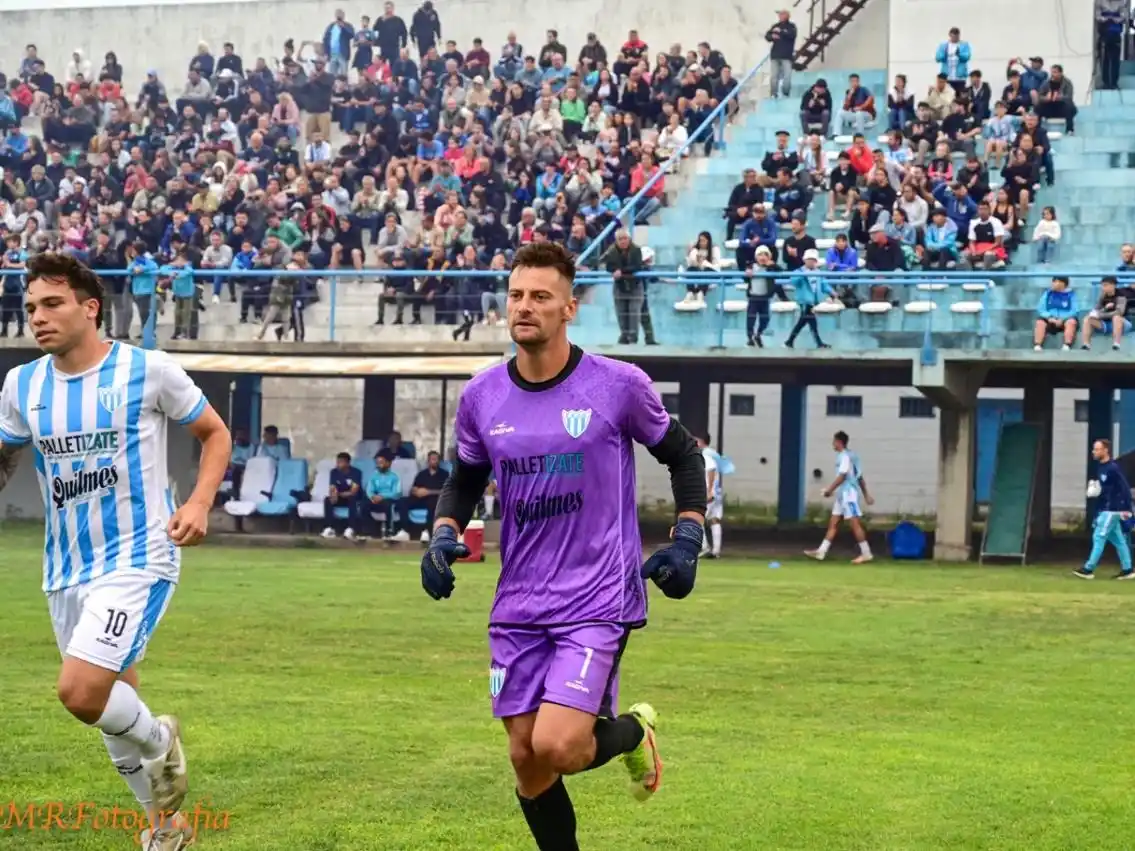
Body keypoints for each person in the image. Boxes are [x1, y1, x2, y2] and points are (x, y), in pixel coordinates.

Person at [417, 242, 705, 851]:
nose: (525, 307)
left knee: (559, 746)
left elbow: (682, 452)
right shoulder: (482, 396)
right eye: (517, 295)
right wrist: (444, 536)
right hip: (518, 603)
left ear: (569, 307)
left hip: (596, 597)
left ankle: (633, 732)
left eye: (541, 297)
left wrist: (687, 539)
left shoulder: (617, 385)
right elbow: (465, 478)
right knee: (527, 760)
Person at [0, 252, 232, 851]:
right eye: (30, 308)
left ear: (89, 307)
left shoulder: (148, 370)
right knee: (108, 698)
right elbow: (5, 454)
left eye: (52, 304)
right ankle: (165, 827)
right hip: (65, 569)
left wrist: (200, 503)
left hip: (139, 557)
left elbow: (214, 433)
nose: (38, 318)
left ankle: (160, 741)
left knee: (80, 692)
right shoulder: (21, 385)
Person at [806, 431, 874, 563]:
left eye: (834, 441)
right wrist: (866, 494)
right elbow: (859, 477)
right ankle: (821, 551)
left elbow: (842, 476)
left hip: (848, 494)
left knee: (854, 524)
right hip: (842, 494)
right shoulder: (852, 456)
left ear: (839, 442)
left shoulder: (844, 457)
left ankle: (866, 553)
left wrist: (829, 490)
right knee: (834, 523)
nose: (833, 444)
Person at [1075, 439, 1135, 580]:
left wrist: (1127, 508)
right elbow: (1106, 489)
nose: (1094, 452)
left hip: (1113, 509)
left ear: (1105, 450)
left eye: (1097, 449)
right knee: (1118, 539)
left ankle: (1088, 569)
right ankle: (1128, 569)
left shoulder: (1113, 468)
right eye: (1094, 449)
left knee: (1099, 537)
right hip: (1106, 508)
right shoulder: (1101, 467)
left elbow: (1124, 487)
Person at [1081, 275, 1130, 351]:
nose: (1103, 288)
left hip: (1123, 323)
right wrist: (1104, 309)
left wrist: (1100, 315)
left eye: (1105, 285)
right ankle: (1086, 344)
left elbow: (1119, 312)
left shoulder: (1121, 296)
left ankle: (1116, 344)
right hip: (1106, 324)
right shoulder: (1103, 296)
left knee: (1116, 317)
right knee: (1087, 319)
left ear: (1113, 285)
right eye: (1102, 285)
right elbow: (1096, 310)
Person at [321, 451, 363, 539]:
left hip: (353, 497)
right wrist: (334, 495)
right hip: (340, 496)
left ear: (347, 463)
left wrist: (340, 494)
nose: (338, 464)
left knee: (353, 499)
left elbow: (354, 490)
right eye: (337, 462)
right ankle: (329, 528)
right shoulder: (334, 472)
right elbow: (332, 487)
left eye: (340, 462)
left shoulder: (356, 472)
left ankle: (351, 528)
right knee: (328, 500)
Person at [1033, 275, 1078, 352]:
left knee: (1071, 322)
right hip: (1050, 319)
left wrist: (1062, 319)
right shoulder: (1047, 294)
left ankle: (1067, 345)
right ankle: (1037, 345)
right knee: (1040, 322)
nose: (1054, 283)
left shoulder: (1071, 295)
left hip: (1065, 320)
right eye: (1054, 281)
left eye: (1057, 281)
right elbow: (1041, 309)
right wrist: (1050, 317)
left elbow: (1075, 310)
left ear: (1064, 284)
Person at [363, 450, 402, 538]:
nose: (378, 465)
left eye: (381, 462)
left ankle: (389, 532)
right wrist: (372, 497)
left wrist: (382, 497)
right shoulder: (374, 476)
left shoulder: (394, 477)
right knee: (364, 505)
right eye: (377, 463)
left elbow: (397, 493)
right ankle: (369, 532)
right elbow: (369, 490)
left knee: (389, 505)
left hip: (388, 501)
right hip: (376, 500)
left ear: (389, 463)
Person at [697, 433, 723, 558]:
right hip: (717, 492)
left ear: (702, 441)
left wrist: (709, 491)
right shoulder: (714, 454)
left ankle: (705, 547)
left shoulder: (705, 455)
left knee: (697, 519)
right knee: (714, 520)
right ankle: (716, 550)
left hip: (710, 493)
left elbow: (711, 471)